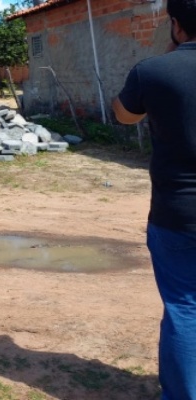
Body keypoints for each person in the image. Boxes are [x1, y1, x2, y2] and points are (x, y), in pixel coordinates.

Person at [112, 0, 196, 398]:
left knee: (184, 306)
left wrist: (171, 57)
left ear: (176, 25)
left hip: (177, 213)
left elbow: (124, 115)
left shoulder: (154, 71)